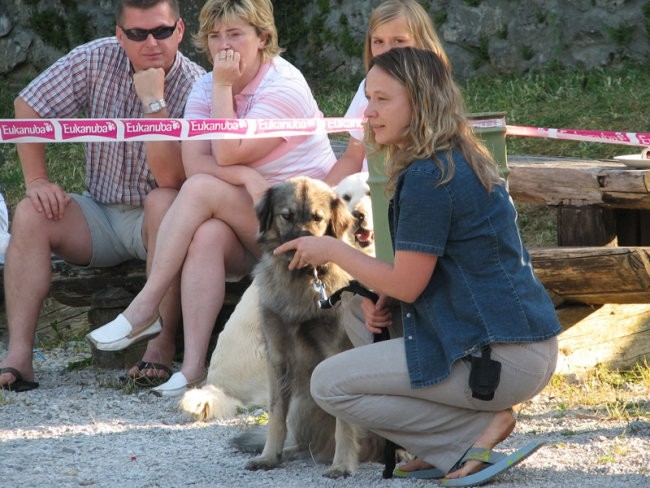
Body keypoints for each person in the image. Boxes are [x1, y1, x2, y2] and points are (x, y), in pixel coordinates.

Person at [275, 47, 562, 485]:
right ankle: (447, 441)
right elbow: (423, 270)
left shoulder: (430, 176)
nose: (368, 113)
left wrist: (331, 250)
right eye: (368, 99)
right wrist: (379, 291)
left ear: (422, 101)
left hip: (499, 358)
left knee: (329, 383)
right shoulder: (454, 156)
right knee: (358, 310)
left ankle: (468, 436)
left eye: (382, 100)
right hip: (516, 344)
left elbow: (409, 285)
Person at [87, 0, 336, 397]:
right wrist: (244, 175)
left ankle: (146, 306)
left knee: (200, 190)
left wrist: (222, 88)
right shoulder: (206, 85)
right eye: (216, 36)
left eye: (235, 34)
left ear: (263, 38)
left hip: (305, 228)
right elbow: (193, 160)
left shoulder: (283, 86)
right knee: (205, 236)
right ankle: (192, 368)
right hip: (253, 219)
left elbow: (224, 151)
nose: (224, 46)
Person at [0, 0, 205, 392]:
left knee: (163, 200)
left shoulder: (199, 83)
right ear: (119, 35)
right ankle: (19, 357)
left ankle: (160, 351)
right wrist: (37, 179)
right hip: (101, 212)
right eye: (137, 33)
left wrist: (153, 105)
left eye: (162, 31)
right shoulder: (94, 58)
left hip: (162, 219)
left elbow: (171, 177)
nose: (151, 43)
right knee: (30, 212)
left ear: (179, 31)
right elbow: (26, 106)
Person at [324, 0, 449, 186]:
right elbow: (353, 156)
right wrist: (323, 199)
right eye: (378, 42)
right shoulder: (367, 86)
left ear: (422, 42)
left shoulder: (434, 91)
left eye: (399, 41)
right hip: (368, 194)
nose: (386, 51)